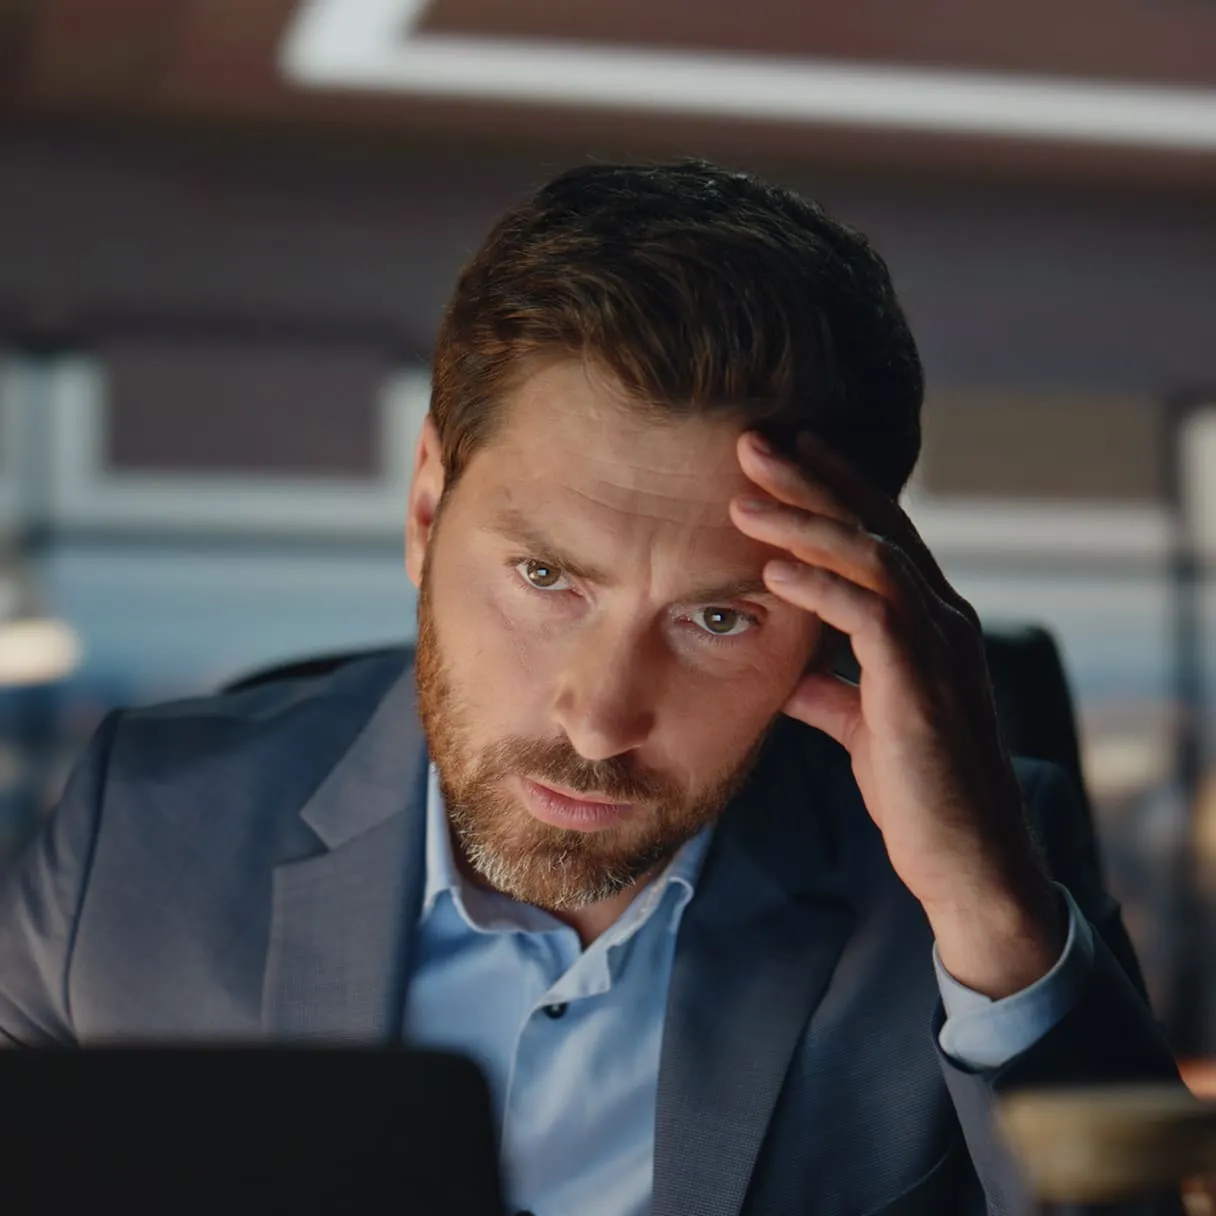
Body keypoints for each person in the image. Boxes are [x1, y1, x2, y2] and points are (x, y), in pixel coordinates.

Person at [0, 160, 1179, 1215]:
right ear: (425, 508)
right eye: (545, 575)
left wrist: (984, 910)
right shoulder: (143, 832)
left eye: (718, 617)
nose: (601, 720)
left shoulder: (979, 880)